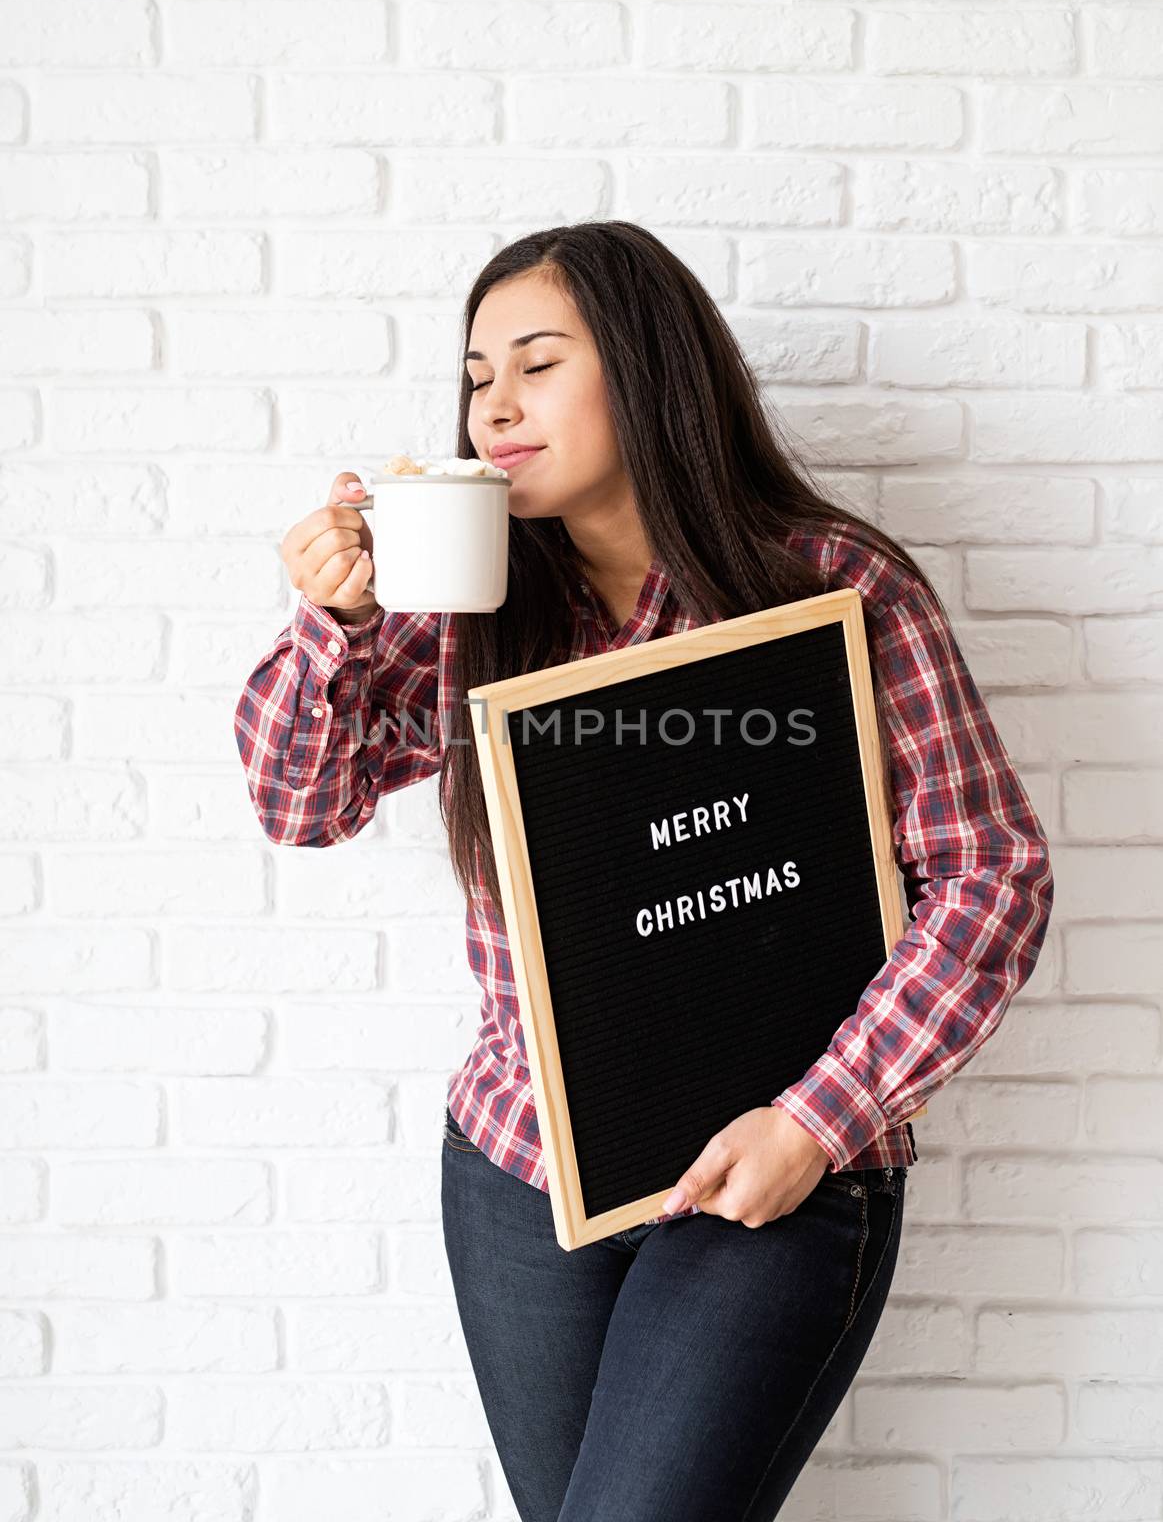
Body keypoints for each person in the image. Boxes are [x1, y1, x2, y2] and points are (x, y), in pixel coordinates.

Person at [234, 220, 1054, 1520]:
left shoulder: (836, 588)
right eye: (474, 373)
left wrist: (816, 1122)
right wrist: (337, 624)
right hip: (521, 1168)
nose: (493, 404)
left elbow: (990, 874)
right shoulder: (470, 600)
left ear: (648, 367)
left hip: (773, 1172)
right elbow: (301, 802)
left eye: (537, 362)